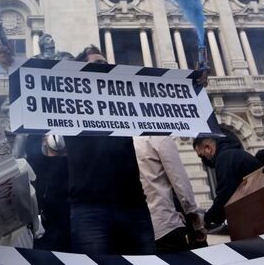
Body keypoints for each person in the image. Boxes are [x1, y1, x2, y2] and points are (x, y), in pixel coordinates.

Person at [64, 45, 155, 255]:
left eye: (105, 63)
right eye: (97, 63)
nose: (104, 66)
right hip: (90, 209)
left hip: (133, 206)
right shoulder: (67, 103)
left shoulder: (124, 100)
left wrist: (192, 85)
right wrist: (11, 65)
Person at [133, 135, 206, 253]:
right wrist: (197, 222)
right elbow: (181, 183)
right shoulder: (158, 137)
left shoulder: (126, 141)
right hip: (166, 224)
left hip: (139, 231)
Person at [192, 135, 264, 227]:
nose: (202, 159)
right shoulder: (234, 153)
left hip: (258, 216)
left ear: (208, 148)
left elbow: (225, 195)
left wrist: (207, 219)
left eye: (201, 155)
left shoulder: (225, 158)